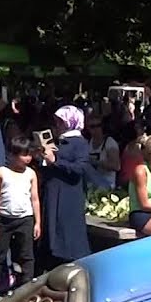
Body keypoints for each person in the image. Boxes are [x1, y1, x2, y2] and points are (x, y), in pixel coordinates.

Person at [0, 136, 41, 295]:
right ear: (13, 155)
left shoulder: (31, 174)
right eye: (24, 154)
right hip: (4, 218)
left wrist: (37, 222)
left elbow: (35, 199)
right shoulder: (1, 172)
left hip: (25, 219)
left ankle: (26, 287)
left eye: (29, 154)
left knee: (26, 255)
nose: (27, 158)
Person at [38, 105, 94, 268]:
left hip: (68, 194)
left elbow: (79, 168)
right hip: (53, 191)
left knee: (67, 230)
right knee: (52, 227)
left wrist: (56, 162)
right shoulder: (59, 140)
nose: (57, 125)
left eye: (60, 121)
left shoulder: (79, 143)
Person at [85, 116, 121, 190]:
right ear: (88, 128)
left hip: (107, 185)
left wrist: (97, 162)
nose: (96, 129)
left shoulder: (109, 142)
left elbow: (116, 166)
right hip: (90, 185)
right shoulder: (88, 143)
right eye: (92, 126)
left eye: (98, 125)